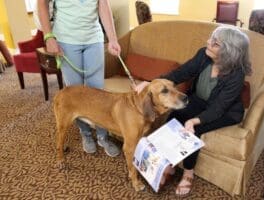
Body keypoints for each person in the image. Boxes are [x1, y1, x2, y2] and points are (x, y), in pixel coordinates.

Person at [135, 26, 252, 196]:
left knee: (192, 132)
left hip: (225, 111)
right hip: (200, 100)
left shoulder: (237, 74)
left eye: (215, 43)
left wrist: (194, 120)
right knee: (174, 117)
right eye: (211, 38)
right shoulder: (204, 54)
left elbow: (218, 108)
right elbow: (181, 73)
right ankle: (168, 163)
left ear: (229, 52)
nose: (208, 43)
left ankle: (188, 174)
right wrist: (150, 83)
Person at [37, 0, 121, 157]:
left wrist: (113, 38)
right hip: (65, 39)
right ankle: (86, 134)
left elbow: (103, 4)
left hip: (93, 38)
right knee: (75, 96)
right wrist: (48, 36)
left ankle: (103, 136)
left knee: (98, 93)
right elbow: (41, 3)